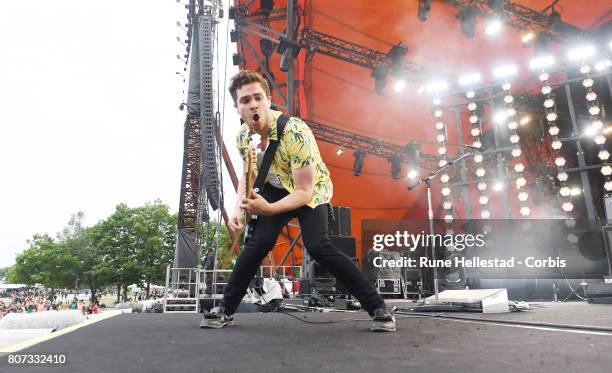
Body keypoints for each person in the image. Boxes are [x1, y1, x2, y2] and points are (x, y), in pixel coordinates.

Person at [199, 70, 395, 332]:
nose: (253, 104)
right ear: (237, 107)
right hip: (276, 186)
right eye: (245, 100)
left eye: (258, 97)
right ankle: (225, 308)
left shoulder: (295, 132)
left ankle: (378, 307)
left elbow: (303, 191)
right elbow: (248, 176)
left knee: (319, 247)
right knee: (258, 244)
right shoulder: (243, 137)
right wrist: (237, 208)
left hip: (310, 189)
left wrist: (267, 208)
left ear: (268, 99)